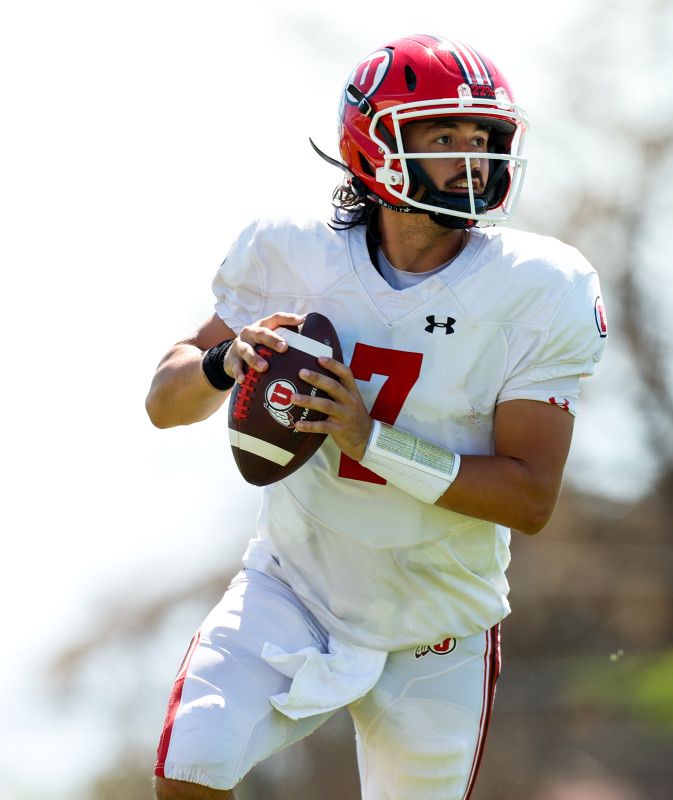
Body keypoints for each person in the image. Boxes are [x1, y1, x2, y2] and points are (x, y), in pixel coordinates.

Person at [144, 33, 607, 800]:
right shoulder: (290, 253)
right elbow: (165, 401)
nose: (472, 156)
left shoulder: (539, 286)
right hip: (293, 587)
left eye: (483, 138)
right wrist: (226, 364)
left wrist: (372, 440)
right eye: (444, 135)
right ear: (377, 143)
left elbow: (529, 497)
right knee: (191, 762)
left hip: (438, 624)